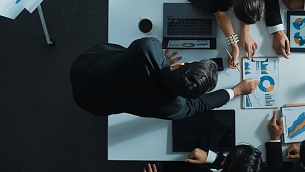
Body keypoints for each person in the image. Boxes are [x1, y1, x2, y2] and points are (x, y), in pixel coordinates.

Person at [70, 37, 259, 120]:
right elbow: (200, 106)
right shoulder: (174, 108)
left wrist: (162, 62)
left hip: (85, 67)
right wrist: (237, 91)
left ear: (179, 65)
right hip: (92, 103)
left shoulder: (148, 48)